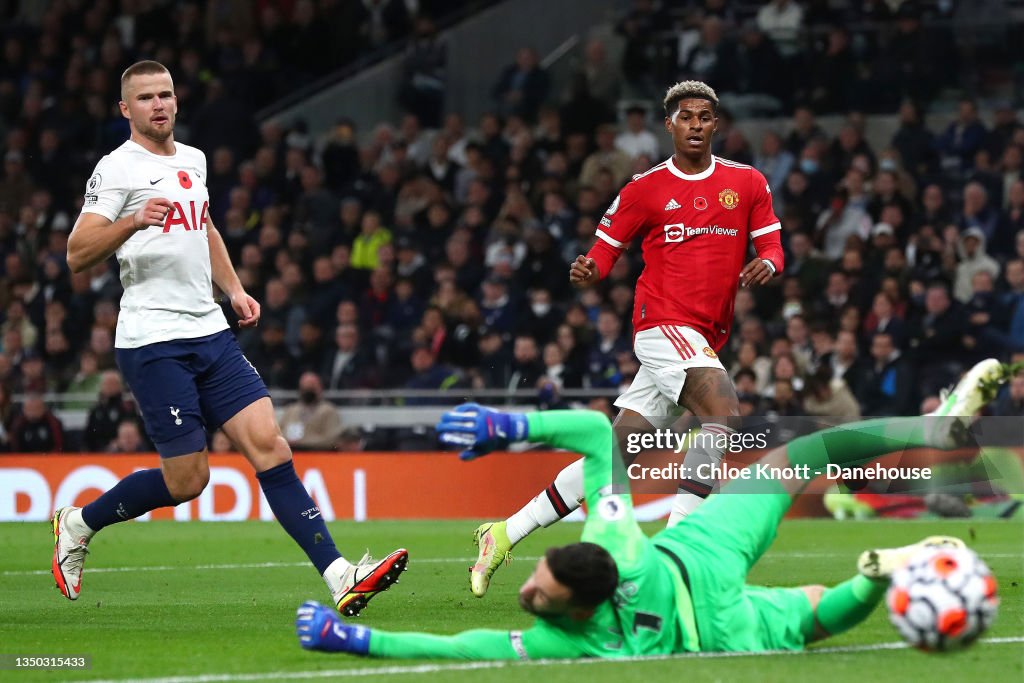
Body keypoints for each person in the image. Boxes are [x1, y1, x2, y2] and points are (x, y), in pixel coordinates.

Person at [296, 358, 1008, 659]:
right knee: (813, 591)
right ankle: (885, 554)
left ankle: (892, 548)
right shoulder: (613, 547)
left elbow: (461, 649)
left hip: (701, 575)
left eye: (537, 579)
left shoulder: (575, 626)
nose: (529, 588)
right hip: (711, 590)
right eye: (541, 585)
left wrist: (357, 641)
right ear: (580, 601)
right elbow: (592, 433)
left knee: (810, 595)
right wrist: (510, 427)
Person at [52, 61, 407, 616]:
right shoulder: (117, 169)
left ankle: (340, 575)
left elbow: (206, 227)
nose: (159, 105)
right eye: (145, 98)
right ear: (126, 110)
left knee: (271, 446)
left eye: (165, 94)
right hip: (152, 341)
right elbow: (76, 253)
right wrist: (133, 221)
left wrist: (235, 289)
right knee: (189, 479)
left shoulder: (193, 160)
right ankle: (78, 523)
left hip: (209, 331)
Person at [468, 80, 784, 597]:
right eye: (687, 117)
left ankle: (504, 532)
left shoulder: (746, 183)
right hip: (661, 324)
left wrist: (768, 262)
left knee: (616, 455)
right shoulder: (645, 188)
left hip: (703, 335)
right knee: (724, 412)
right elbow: (606, 247)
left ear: (716, 124)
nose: (697, 125)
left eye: (705, 117)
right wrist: (592, 268)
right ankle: (679, 556)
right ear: (670, 125)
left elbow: (772, 241)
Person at [278, 372, 344, 451]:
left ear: (320, 388)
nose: (308, 391)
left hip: (317, 455)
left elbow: (333, 439)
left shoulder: (328, 410)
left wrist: (303, 442)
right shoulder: (291, 410)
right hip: (290, 454)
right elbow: (279, 433)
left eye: (311, 387)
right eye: (304, 388)